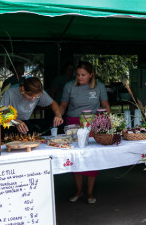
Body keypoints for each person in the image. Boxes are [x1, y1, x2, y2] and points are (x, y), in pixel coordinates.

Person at [59, 61, 111, 204]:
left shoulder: (99, 86)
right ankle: (78, 190)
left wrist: (108, 123)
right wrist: (58, 116)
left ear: (91, 75)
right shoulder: (69, 86)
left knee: (91, 156)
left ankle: (89, 192)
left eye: (83, 75)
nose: (79, 78)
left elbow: (105, 105)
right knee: (76, 156)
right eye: (78, 75)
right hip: (73, 124)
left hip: (92, 124)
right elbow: (63, 106)